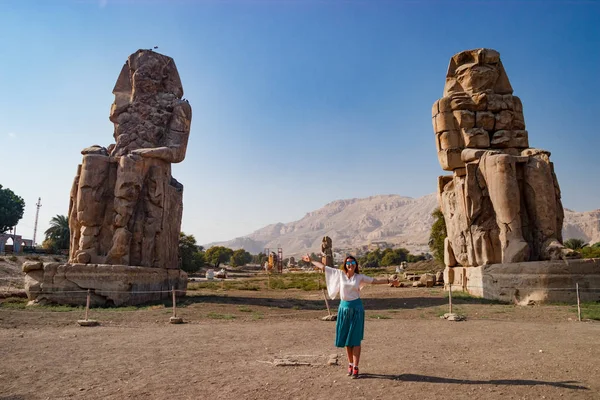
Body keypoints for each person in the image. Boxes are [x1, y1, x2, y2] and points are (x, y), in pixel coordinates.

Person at [302, 254, 398, 379]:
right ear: (345, 265)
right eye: (348, 263)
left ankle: (356, 367)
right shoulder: (340, 274)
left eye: (352, 263)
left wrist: (390, 281)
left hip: (357, 310)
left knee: (355, 339)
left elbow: (375, 281)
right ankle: (350, 364)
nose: (350, 265)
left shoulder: (359, 277)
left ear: (356, 265)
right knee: (347, 340)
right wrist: (311, 261)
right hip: (343, 309)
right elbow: (323, 267)